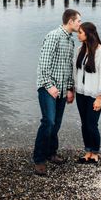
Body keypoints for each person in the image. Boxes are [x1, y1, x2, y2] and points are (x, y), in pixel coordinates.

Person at [32, 9, 81, 176]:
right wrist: (49, 85)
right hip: (47, 88)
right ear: (70, 21)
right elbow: (43, 65)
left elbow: (68, 68)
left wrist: (69, 89)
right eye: (78, 21)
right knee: (49, 121)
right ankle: (39, 160)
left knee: (57, 123)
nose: (79, 25)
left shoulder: (70, 41)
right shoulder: (53, 36)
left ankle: (51, 153)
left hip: (61, 90)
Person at [73, 21, 101, 164]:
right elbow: (76, 72)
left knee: (92, 124)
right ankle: (87, 151)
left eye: (80, 32)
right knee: (84, 123)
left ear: (88, 34)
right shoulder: (80, 50)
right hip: (81, 93)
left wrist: (99, 97)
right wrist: (73, 89)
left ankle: (95, 153)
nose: (78, 34)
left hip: (95, 95)